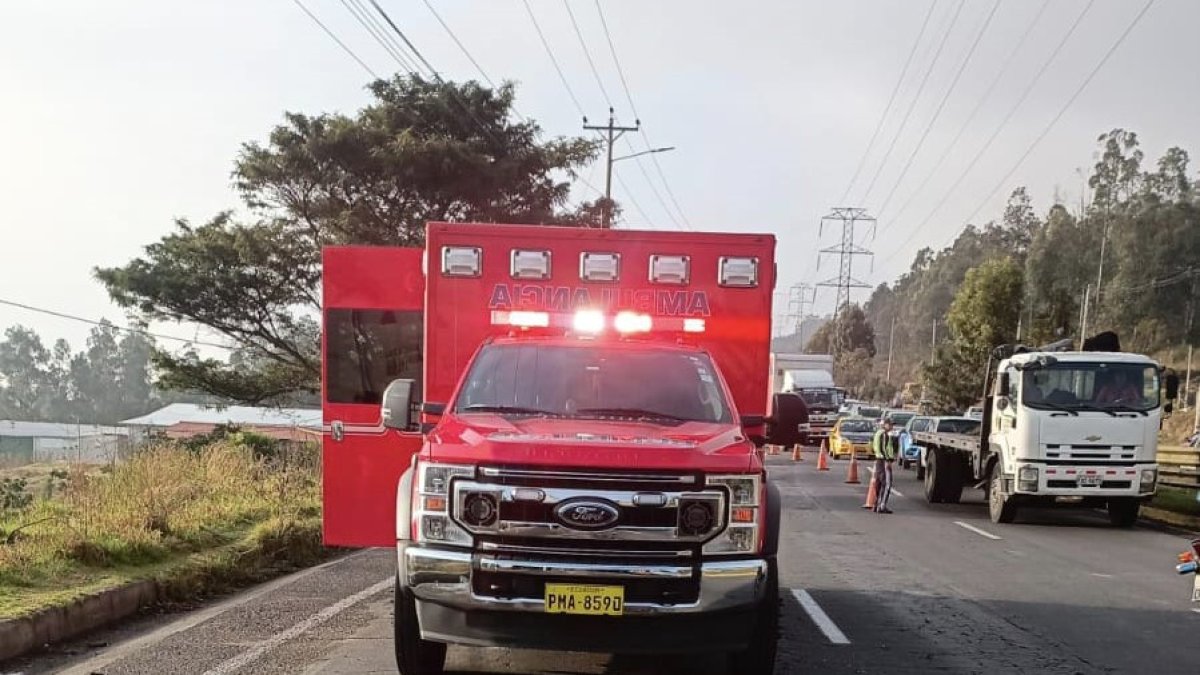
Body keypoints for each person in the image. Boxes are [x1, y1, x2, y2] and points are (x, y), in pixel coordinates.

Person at [870, 418, 898, 514]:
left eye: (892, 425)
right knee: (886, 484)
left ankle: (876, 505)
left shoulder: (879, 433)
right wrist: (888, 460)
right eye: (890, 425)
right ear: (885, 424)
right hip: (883, 460)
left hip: (879, 460)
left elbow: (874, 446)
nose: (892, 427)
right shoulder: (883, 434)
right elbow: (883, 448)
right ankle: (882, 506)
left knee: (879, 483)